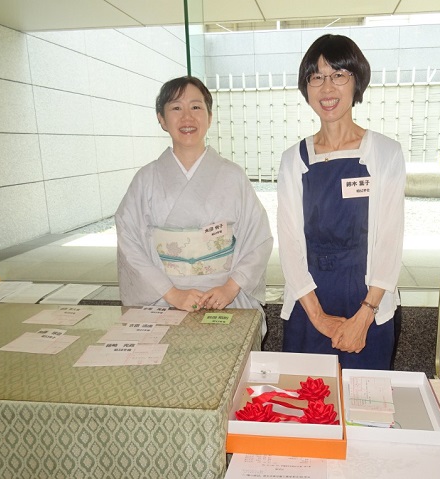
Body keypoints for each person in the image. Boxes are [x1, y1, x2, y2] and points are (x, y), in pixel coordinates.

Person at [277, 34, 405, 370]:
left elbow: (389, 240)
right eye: (316, 77)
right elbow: (289, 244)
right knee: (305, 396)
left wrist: (365, 314)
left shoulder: (385, 153)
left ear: (356, 81)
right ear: (306, 88)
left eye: (338, 75)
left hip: (369, 303)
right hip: (309, 300)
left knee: (365, 398)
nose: (327, 87)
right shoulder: (293, 159)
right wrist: (319, 317)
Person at [116, 76, 273, 332]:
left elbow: (259, 238)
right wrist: (172, 293)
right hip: (164, 298)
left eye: (196, 107)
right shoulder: (146, 179)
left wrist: (230, 288)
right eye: (176, 108)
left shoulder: (233, 176)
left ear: (209, 117)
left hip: (223, 298)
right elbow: (128, 241)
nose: (187, 117)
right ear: (161, 119)